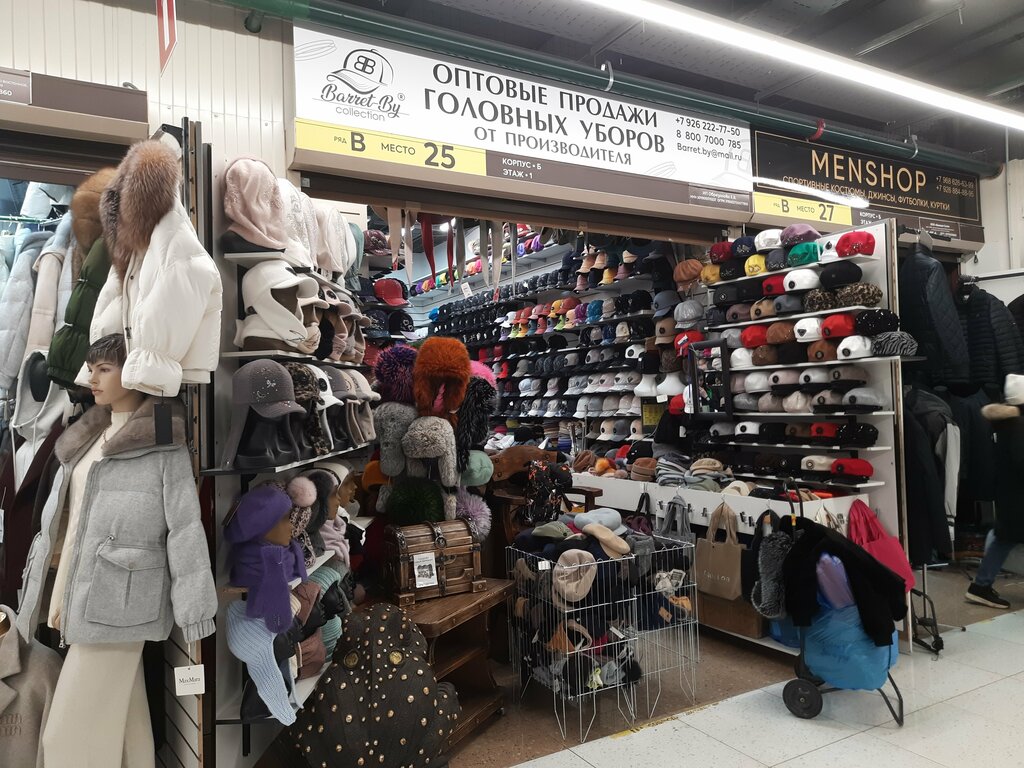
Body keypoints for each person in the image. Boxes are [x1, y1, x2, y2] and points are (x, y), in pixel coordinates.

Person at [16, 333, 217, 767]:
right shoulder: (86, 436)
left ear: (136, 372)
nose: (92, 378)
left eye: (104, 369)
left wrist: (195, 611)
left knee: (65, 739)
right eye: (91, 368)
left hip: (121, 607)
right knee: (129, 728)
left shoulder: (162, 443)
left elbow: (184, 529)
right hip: (78, 594)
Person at [965, 373, 1024, 609]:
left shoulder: (1005, 424)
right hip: (1018, 498)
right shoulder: (1019, 426)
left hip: (1009, 496)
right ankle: (980, 586)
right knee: (1002, 540)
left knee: (1002, 539)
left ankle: (980, 586)